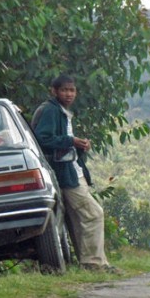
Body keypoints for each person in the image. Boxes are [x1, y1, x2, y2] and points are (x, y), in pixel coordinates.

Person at [33, 74, 112, 271]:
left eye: (72, 90)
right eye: (64, 90)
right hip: (65, 175)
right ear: (54, 91)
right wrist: (71, 141)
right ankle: (95, 262)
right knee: (93, 214)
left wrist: (78, 145)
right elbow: (42, 139)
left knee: (78, 219)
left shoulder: (61, 111)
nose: (69, 94)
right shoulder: (51, 110)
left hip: (72, 170)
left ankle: (90, 263)